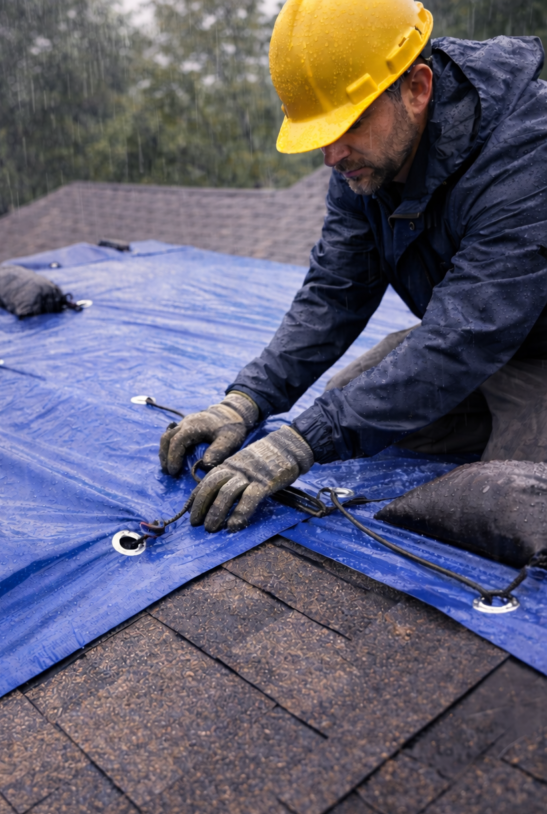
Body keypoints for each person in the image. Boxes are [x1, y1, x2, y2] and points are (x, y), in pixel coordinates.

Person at [159, 0, 547, 533]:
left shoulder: (527, 159)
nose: (332, 155)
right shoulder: (366, 164)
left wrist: (303, 441)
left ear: (417, 88)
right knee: (350, 405)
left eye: (351, 122)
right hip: (490, 342)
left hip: (519, 347)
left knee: (507, 508)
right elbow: (334, 293)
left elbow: (464, 334)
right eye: (322, 133)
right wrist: (246, 401)